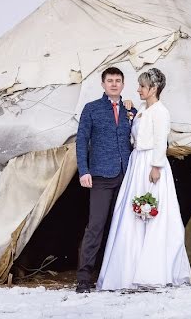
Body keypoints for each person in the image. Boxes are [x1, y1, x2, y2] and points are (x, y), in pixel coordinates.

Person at [97, 68, 191, 290]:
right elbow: (134, 132)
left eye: (142, 86)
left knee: (150, 212)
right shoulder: (141, 109)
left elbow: (161, 141)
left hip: (150, 163)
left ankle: (152, 270)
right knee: (131, 213)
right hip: (136, 162)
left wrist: (156, 166)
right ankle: (129, 268)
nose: (138, 89)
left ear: (154, 89)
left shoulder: (161, 112)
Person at [74, 66, 137, 294]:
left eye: (117, 80)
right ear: (102, 84)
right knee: (96, 226)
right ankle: (83, 277)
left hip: (126, 175)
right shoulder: (91, 109)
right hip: (100, 175)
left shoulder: (131, 109)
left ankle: (119, 275)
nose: (113, 84)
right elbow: (82, 141)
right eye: (109, 80)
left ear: (123, 84)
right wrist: (84, 171)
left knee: (124, 226)